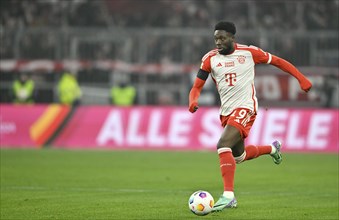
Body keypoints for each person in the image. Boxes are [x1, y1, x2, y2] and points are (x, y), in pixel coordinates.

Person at [188, 21, 312, 212]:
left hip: (246, 108)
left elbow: (279, 61)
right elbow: (197, 86)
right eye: (215, 39)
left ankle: (228, 196)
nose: (218, 42)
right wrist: (193, 100)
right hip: (227, 112)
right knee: (239, 157)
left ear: (232, 38)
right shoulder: (209, 59)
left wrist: (301, 78)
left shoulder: (249, 53)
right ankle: (272, 148)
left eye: (222, 38)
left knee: (223, 145)